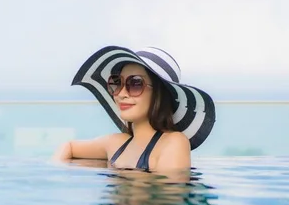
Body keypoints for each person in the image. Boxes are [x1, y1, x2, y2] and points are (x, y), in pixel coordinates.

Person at [53, 46, 216, 173]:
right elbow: (68, 146)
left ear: (159, 93)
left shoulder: (173, 143)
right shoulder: (116, 143)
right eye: (117, 83)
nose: (121, 94)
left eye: (136, 83)